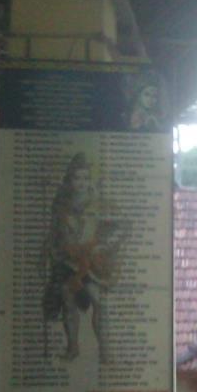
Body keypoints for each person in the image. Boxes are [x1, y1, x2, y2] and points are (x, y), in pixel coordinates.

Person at [41, 153, 122, 363]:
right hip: (68, 260)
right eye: (77, 178)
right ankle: (73, 347)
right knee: (68, 301)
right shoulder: (61, 205)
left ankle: (105, 351)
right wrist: (50, 250)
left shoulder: (100, 203)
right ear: (70, 180)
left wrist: (104, 245)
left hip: (93, 262)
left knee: (100, 303)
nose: (81, 183)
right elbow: (54, 232)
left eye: (85, 178)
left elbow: (118, 229)